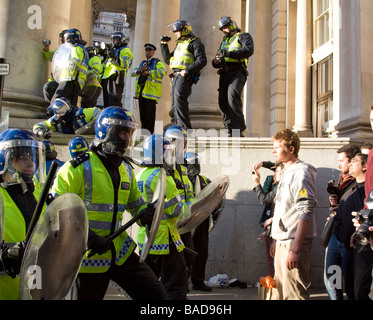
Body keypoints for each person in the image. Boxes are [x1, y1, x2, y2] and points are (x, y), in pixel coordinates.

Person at [48, 107, 166, 300]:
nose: (126, 139)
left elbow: (136, 203)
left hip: (119, 251)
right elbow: (55, 212)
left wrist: (145, 213)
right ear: (105, 132)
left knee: (155, 294)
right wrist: (87, 238)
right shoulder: (77, 168)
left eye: (128, 133)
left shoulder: (126, 169)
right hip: (86, 256)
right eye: (121, 132)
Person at [137, 134, 188, 300]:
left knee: (147, 288)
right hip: (167, 240)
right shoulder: (164, 178)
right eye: (167, 152)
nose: (170, 157)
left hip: (146, 240)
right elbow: (178, 211)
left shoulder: (140, 175)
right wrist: (192, 203)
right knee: (176, 287)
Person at [270, 129, 317, 300]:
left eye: (277, 147)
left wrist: (295, 249)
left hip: (294, 243)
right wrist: (277, 238)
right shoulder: (287, 171)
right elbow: (284, 208)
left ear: (291, 149)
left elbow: (306, 210)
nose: (273, 151)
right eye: (273, 147)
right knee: (280, 292)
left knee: (294, 294)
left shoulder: (301, 172)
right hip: (284, 240)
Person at [0, 129, 46, 300]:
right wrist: (7, 255)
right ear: (5, 160)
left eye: (33, 158)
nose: (30, 164)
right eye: (22, 158)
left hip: (35, 289)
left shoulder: (37, 195)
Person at [323, 144, 360, 300]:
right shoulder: (341, 180)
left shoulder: (360, 183)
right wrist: (334, 204)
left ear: (352, 161)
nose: (339, 164)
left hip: (349, 239)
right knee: (333, 275)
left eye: (341, 160)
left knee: (350, 281)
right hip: (335, 235)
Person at [212, 16, 254, 137]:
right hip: (224, 72)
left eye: (225, 27)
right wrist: (216, 61)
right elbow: (218, 60)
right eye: (222, 29)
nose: (224, 30)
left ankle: (238, 130)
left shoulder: (243, 36)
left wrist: (229, 53)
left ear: (232, 26)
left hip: (237, 71)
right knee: (222, 102)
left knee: (232, 96)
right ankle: (229, 130)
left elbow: (249, 50)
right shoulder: (224, 41)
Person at [161, 20, 207, 129]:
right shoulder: (179, 45)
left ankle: (184, 128)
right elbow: (169, 60)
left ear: (185, 30)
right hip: (176, 76)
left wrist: (187, 71)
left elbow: (202, 60)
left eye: (177, 31)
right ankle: (177, 127)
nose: (176, 33)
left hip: (185, 75)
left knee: (180, 97)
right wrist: (164, 45)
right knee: (174, 105)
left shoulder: (195, 43)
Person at [334, 153, 367, 300]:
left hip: (356, 246)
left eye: (355, 161)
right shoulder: (350, 187)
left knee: (355, 289)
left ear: (365, 166)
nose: (350, 164)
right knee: (334, 280)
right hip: (340, 241)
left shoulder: (367, 191)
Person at [185, 151, 213, 292]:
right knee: (186, 254)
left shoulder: (204, 180)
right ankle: (183, 282)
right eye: (192, 163)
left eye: (196, 163)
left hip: (202, 221)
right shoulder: (181, 179)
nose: (195, 166)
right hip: (185, 222)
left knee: (201, 252)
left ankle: (198, 281)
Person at [252, 161, 284, 278]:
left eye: (277, 171)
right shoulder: (278, 184)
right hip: (272, 229)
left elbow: (264, 199)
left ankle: (278, 289)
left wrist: (257, 183)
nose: (274, 174)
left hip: (279, 232)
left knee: (277, 264)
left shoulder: (282, 187)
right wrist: (262, 164)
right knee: (272, 263)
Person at [131, 43, 167, 134]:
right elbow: (133, 73)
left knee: (150, 116)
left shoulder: (157, 62)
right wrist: (140, 70)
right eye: (146, 51)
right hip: (142, 92)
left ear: (153, 52)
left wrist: (149, 72)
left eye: (149, 51)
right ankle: (143, 133)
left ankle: (149, 133)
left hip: (151, 93)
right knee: (143, 115)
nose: (147, 52)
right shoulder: (142, 63)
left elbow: (163, 72)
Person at [51, 28, 89, 106]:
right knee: (49, 89)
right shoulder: (70, 49)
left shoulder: (77, 48)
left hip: (72, 79)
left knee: (57, 99)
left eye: (68, 38)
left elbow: (74, 63)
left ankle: (50, 113)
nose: (66, 41)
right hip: (66, 78)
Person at [33, 97, 100, 138]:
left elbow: (100, 112)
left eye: (62, 110)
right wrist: (40, 132)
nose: (59, 114)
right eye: (57, 112)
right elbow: (38, 126)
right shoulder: (54, 121)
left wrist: (88, 127)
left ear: (68, 109)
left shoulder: (81, 114)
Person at [40, 29, 68, 119]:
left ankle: (55, 113)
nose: (62, 40)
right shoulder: (59, 50)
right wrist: (46, 49)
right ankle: (50, 111)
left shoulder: (72, 50)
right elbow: (50, 57)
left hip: (67, 79)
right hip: (58, 79)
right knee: (48, 88)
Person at [102, 32, 133, 107]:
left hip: (116, 77)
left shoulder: (125, 50)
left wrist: (115, 57)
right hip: (107, 78)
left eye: (115, 40)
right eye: (113, 40)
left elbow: (126, 64)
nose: (113, 42)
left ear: (120, 40)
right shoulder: (112, 51)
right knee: (107, 104)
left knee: (114, 102)